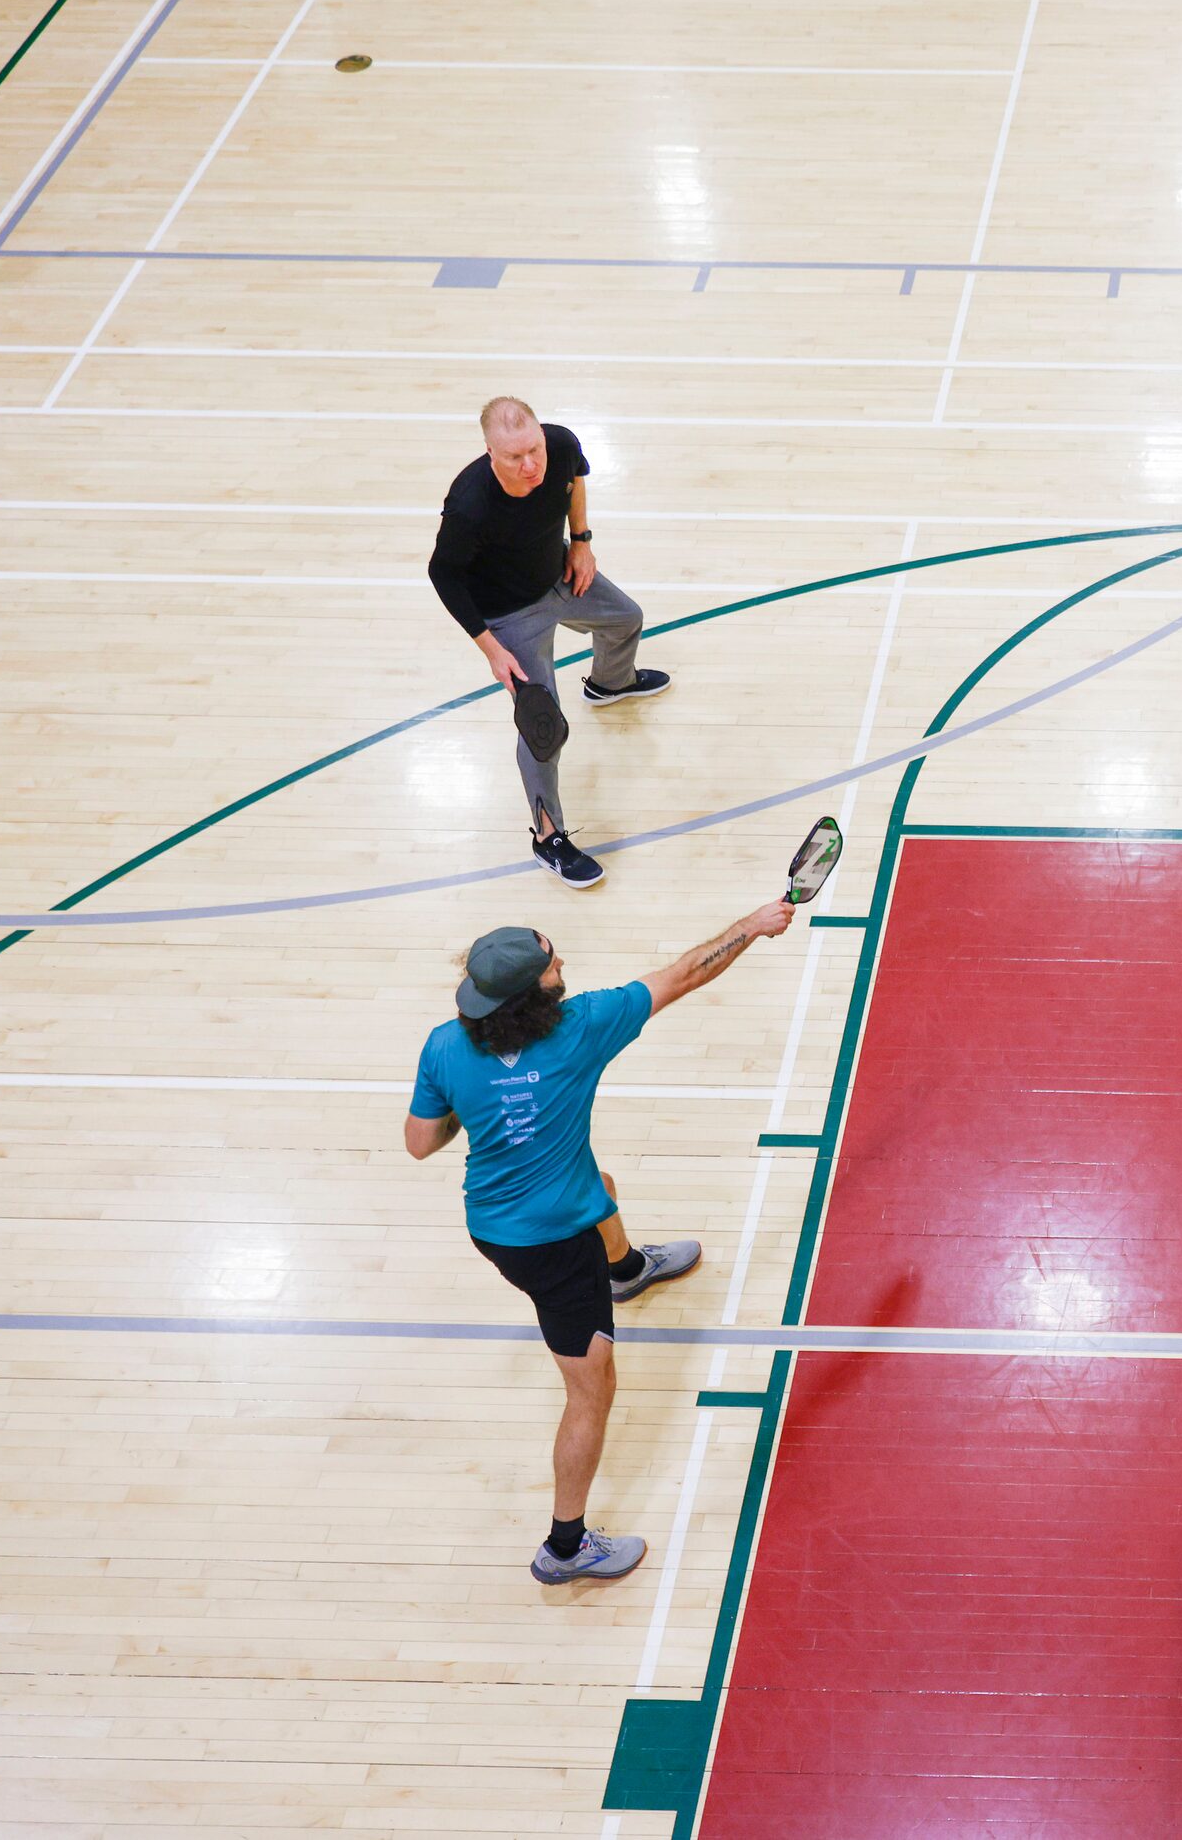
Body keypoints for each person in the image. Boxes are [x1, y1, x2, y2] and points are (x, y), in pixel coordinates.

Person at [404, 900, 794, 1582]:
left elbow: (419, 1143)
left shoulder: (444, 1043)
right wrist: (750, 926)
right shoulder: (582, 1027)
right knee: (591, 1392)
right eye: (554, 963)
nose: (564, 965)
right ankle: (565, 1547)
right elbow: (684, 976)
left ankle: (627, 1266)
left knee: (598, 1178)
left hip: (491, 1223)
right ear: (536, 995)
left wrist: (485, 1108)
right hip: (550, 1250)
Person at [427, 397, 670, 889]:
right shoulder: (470, 503)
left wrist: (580, 540)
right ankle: (548, 836)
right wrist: (492, 649)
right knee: (543, 729)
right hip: (509, 617)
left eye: (533, 449)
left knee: (626, 619)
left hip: (558, 573)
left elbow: (575, 476)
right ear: (490, 452)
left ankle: (609, 684)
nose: (530, 464)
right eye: (514, 457)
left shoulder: (558, 444)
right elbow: (443, 575)